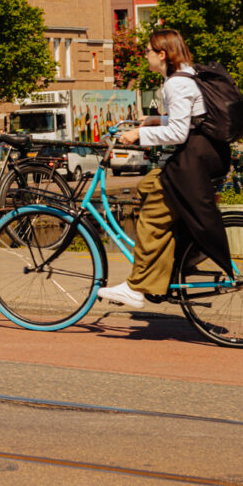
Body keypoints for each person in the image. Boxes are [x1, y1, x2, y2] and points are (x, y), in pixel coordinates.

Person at [99, 28, 232, 311]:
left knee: (152, 216)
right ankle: (167, 263)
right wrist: (156, 119)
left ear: (161, 54)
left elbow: (179, 132)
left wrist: (138, 136)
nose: (145, 55)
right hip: (203, 154)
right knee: (147, 187)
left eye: (147, 51)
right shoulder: (186, 75)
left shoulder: (176, 84)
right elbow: (191, 118)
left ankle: (136, 288)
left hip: (195, 157)